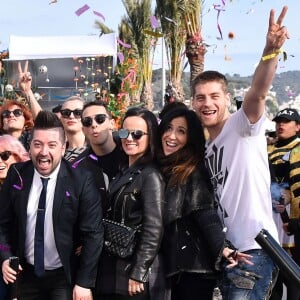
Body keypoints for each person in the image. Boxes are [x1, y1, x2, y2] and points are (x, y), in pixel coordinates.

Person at [191, 6, 289, 299]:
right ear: (193, 103)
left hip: (255, 249)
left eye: (214, 96)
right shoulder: (207, 149)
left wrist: (270, 51)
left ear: (225, 99)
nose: (207, 103)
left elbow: (258, 92)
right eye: (200, 98)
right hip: (231, 252)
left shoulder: (242, 126)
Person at [0, 110, 103, 300]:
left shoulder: (81, 180)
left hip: (63, 276)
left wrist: (84, 283)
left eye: (51, 145)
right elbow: (2, 224)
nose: (44, 152)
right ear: (29, 146)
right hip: (26, 274)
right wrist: (5, 258)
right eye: (37, 145)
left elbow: (93, 234)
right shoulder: (17, 173)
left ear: (63, 148)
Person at [157, 107, 252, 300]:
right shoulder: (165, 168)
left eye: (181, 131)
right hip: (177, 268)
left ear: (190, 138)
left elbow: (204, 211)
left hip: (193, 268)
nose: (171, 135)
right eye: (168, 128)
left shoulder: (192, 170)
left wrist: (222, 247)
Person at [95, 107, 168, 300]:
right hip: (115, 262)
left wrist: (139, 271)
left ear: (150, 136)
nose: (129, 138)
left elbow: (154, 227)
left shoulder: (150, 175)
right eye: (124, 132)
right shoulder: (123, 170)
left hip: (135, 267)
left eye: (137, 134)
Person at [268, 108, 300, 300]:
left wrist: (286, 196)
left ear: (297, 126)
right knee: (274, 276)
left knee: (294, 275)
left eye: (286, 121)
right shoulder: (268, 149)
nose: (281, 125)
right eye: (279, 121)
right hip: (271, 217)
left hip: (294, 218)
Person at [72, 101, 126, 192]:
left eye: (100, 119)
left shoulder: (129, 154)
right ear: (83, 130)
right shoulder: (78, 167)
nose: (93, 125)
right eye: (87, 121)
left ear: (112, 124)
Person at [0, 135, 29, 300]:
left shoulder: (28, 190)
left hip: (19, 270)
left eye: (5, 155)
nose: (0, 161)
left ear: (18, 156)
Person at [59, 96, 87, 162]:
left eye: (78, 113)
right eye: (66, 113)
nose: (71, 116)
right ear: (61, 118)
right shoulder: (57, 151)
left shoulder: (96, 150)